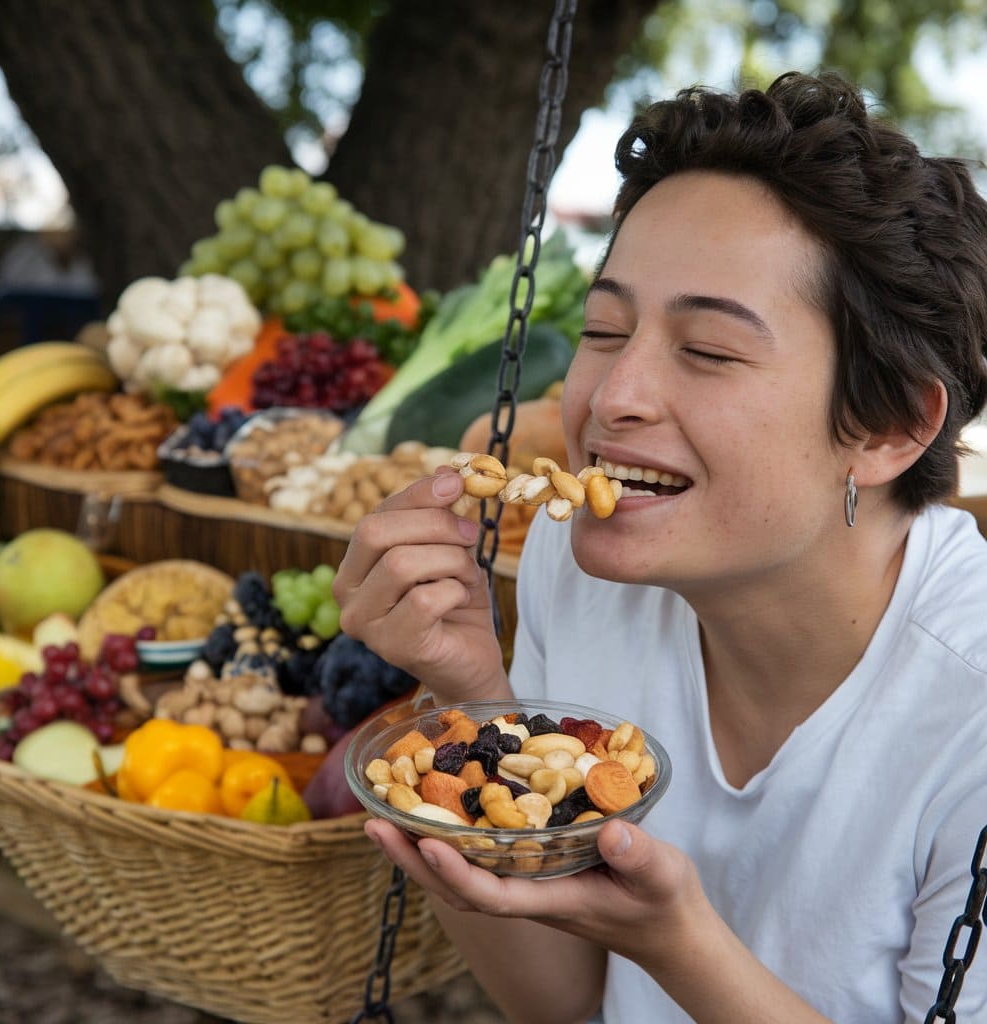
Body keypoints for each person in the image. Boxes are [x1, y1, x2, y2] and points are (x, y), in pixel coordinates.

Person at [331, 70, 987, 1024]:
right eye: (603, 329)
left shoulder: (965, 712)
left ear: (888, 427)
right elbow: (562, 1003)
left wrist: (683, 947)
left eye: (709, 351)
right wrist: (470, 701)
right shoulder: (581, 565)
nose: (612, 396)